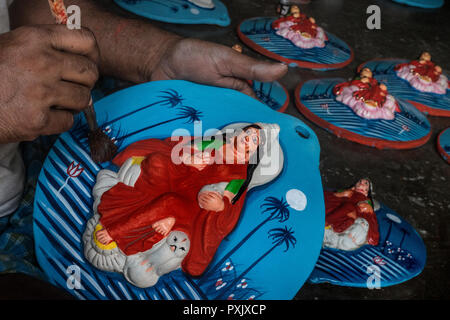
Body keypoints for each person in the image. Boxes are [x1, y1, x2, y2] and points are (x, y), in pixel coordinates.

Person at [0, 0, 287, 279]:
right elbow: (182, 151)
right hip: (165, 177)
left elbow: (51, 11)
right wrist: (190, 155)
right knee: (159, 163)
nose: (243, 141)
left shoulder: (238, 171)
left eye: (250, 143)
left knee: (172, 205)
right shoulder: (217, 146)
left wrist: (157, 54)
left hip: (182, 200)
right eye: (245, 136)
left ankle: (125, 231)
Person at [92, 124, 267, 276]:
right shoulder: (217, 142)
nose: (249, 138)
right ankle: (164, 215)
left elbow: (228, 201)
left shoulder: (240, 174)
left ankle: (115, 230)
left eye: (254, 140)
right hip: (180, 176)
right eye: (249, 133)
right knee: (157, 161)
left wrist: (218, 204)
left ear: (254, 151)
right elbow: (184, 150)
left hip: (192, 202)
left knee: (170, 202)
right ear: (239, 133)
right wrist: (189, 159)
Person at [324, 178, 379, 247]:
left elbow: (370, 225)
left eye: (365, 183)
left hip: (346, 225)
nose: (361, 183)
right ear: (354, 186)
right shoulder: (347, 193)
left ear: (366, 192)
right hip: (332, 215)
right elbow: (328, 197)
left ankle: (325, 223)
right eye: (359, 181)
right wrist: (340, 195)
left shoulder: (365, 203)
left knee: (349, 207)